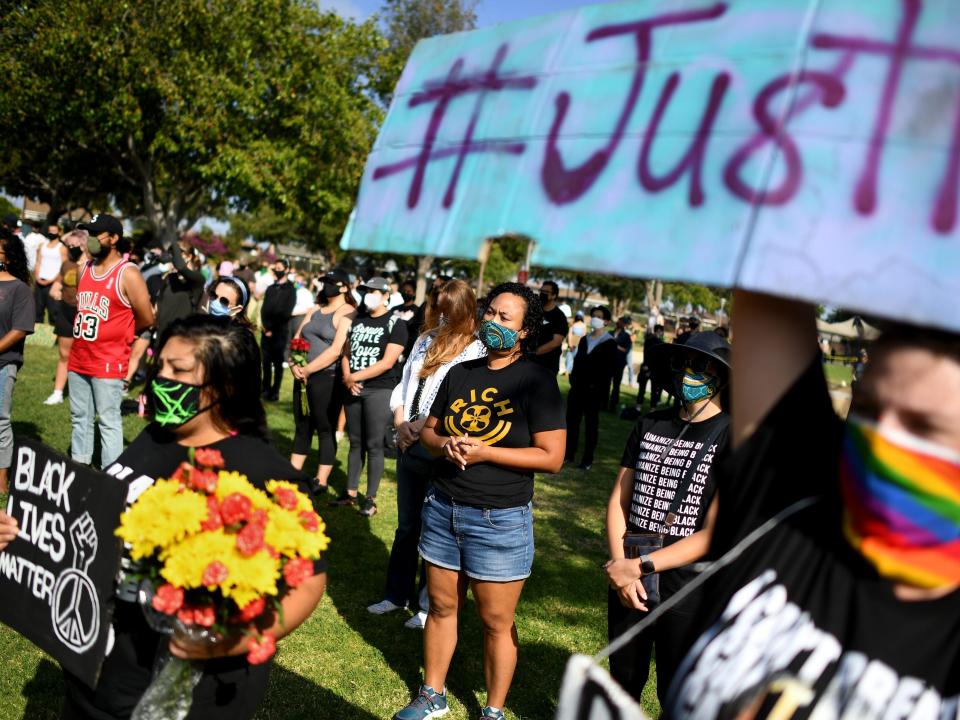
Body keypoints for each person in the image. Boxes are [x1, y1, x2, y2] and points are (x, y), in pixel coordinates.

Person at [662, 292, 960, 718]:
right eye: (871, 407)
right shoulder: (788, 507)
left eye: (922, 425)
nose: (882, 438)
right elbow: (771, 275)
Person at [60, 315, 327, 720]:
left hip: (179, 693)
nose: (161, 378)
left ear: (227, 385)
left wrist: (230, 642)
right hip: (101, 665)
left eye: (179, 370)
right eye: (159, 365)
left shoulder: (260, 470)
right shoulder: (155, 437)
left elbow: (308, 582)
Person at [393, 282, 565, 720]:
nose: (493, 322)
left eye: (505, 319)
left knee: (495, 622)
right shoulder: (461, 372)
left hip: (500, 520)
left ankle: (493, 710)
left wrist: (486, 451)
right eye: (491, 313)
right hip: (444, 507)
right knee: (442, 608)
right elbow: (428, 433)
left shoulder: (536, 382)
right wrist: (444, 441)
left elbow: (552, 457)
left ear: (525, 332)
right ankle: (432, 694)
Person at [603, 331, 731, 705]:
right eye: (683, 363)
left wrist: (639, 566)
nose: (689, 373)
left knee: (677, 688)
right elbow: (617, 502)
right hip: (629, 571)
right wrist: (621, 565)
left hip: (688, 583)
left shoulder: (734, 436)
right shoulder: (649, 423)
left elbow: (714, 533)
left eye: (701, 366)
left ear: (721, 375)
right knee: (623, 679)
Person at [368, 279, 485, 629]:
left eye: (450, 308)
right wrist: (401, 421)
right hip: (409, 441)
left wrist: (421, 427)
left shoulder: (474, 350)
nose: (443, 315)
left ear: (464, 309)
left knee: (436, 532)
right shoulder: (423, 340)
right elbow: (404, 385)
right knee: (406, 526)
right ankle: (394, 595)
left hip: (439, 444)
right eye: (438, 306)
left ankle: (426, 605)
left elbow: (459, 399)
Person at [68, 214, 154, 469]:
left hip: (108, 360)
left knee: (108, 421)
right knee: (80, 417)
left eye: (97, 234)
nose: (91, 239)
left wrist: (125, 331)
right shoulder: (85, 268)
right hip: (79, 357)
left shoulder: (127, 273)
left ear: (114, 239)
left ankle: (111, 477)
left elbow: (147, 316)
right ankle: (78, 466)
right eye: (89, 233)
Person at [335, 276, 407, 516]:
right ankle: (350, 492)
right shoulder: (358, 319)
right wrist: (348, 376)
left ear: (386, 295)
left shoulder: (395, 323)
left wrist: (354, 378)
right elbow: (345, 351)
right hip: (353, 387)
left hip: (379, 388)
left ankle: (370, 499)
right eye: (367, 290)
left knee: (374, 444)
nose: (370, 294)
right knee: (355, 443)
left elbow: (387, 362)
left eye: (375, 291)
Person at [289, 269, 356, 492]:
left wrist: (307, 370)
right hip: (302, 375)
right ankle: (293, 474)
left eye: (331, 282)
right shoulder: (315, 309)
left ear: (344, 287)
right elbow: (297, 337)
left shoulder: (348, 312)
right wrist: (294, 364)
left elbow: (337, 350)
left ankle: (322, 480)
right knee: (302, 425)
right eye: (324, 281)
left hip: (326, 378)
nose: (326, 285)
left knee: (324, 427)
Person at [0, 229, 35, 494]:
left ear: (8, 257)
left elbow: (20, 328)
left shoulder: (19, 289)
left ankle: (1, 483)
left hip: (4, 363)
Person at [565, 306, 617, 471]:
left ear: (606, 321)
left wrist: (602, 393)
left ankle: (587, 459)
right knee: (572, 422)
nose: (595, 318)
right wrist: (573, 380)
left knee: (591, 425)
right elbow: (578, 363)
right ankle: (569, 454)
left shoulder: (610, 343)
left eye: (599, 316)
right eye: (593, 315)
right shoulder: (584, 339)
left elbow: (608, 371)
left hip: (594, 392)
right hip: (577, 389)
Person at [44, 229, 86, 405]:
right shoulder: (67, 263)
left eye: (74, 245)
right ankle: (58, 392)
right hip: (65, 312)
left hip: (83, 315)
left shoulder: (92, 266)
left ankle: (84, 393)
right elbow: (58, 282)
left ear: (84, 245)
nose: (71, 248)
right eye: (69, 245)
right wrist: (55, 289)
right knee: (64, 353)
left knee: (84, 354)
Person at [260, 259, 295, 402]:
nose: (277, 270)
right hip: (265, 331)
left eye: (279, 268)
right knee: (266, 363)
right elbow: (264, 308)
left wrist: (272, 329)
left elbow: (286, 312)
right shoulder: (271, 288)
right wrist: (264, 326)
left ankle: (275, 391)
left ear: (286, 270)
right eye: (275, 268)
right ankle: (265, 388)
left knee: (278, 363)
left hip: (279, 332)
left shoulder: (290, 290)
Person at [531, 280, 568, 373]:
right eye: (541, 291)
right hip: (528, 362)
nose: (542, 294)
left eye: (546, 292)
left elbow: (556, 342)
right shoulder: (534, 311)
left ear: (554, 295)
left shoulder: (559, 317)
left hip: (547, 366)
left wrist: (533, 352)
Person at [34, 222, 66, 324]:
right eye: (50, 231)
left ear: (59, 232)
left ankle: (53, 337)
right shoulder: (42, 245)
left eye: (54, 231)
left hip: (53, 284)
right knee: (37, 311)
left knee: (54, 313)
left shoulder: (62, 248)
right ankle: (36, 334)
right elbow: (38, 261)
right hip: (40, 282)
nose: (51, 233)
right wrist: (37, 277)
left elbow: (63, 267)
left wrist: (52, 280)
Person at [391, 279, 425, 360]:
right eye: (404, 291)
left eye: (408, 291)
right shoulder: (394, 309)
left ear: (414, 293)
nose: (405, 293)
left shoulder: (418, 311)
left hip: (406, 349)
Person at [637, 323, 666, 410]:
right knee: (654, 391)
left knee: (642, 389)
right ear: (659, 331)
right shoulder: (660, 343)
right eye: (662, 331)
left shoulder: (647, 340)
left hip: (645, 366)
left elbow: (645, 354)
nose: (662, 334)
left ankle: (638, 406)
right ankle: (652, 408)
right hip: (654, 369)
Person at [609, 315, 635, 411]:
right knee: (605, 383)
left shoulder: (626, 336)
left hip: (619, 363)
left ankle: (613, 405)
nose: (618, 323)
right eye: (618, 321)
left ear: (623, 324)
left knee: (616, 385)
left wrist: (616, 346)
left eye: (620, 322)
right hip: (608, 362)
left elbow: (626, 350)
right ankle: (603, 403)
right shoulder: (610, 333)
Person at [564, 310, 586, 375]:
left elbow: (570, 334)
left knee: (570, 358)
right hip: (576, 344)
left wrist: (570, 344)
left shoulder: (574, 324)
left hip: (574, 344)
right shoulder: (581, 325)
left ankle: (568, 371)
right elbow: (583, 335)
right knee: (572, 358)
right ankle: (569, 372)